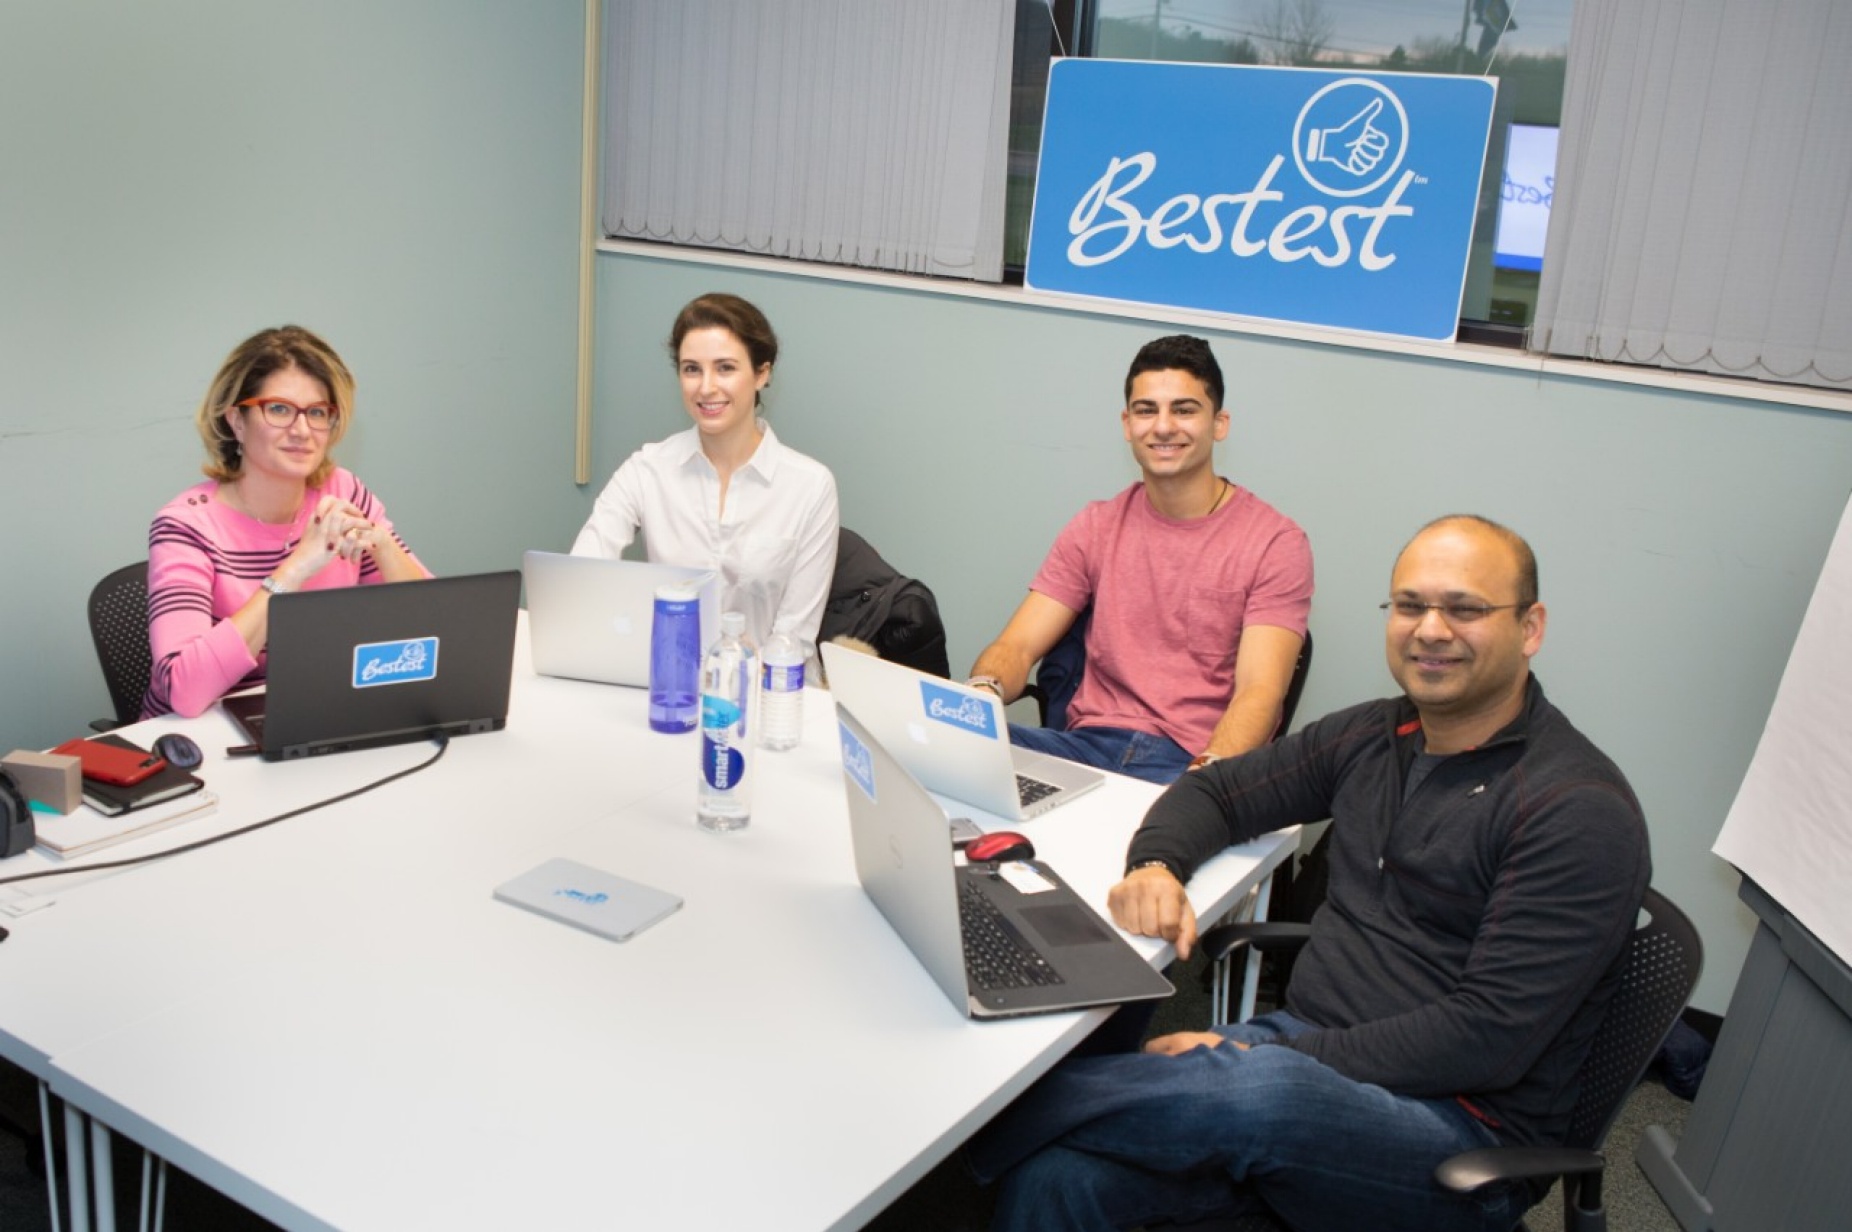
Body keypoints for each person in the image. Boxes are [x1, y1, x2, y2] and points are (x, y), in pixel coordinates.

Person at [970, 515, 1652, 1232]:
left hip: (1458, 1129)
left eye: (1465, 608)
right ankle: (1018, 1122)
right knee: (1060, 1178)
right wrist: (1156, 865)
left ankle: (972, 1124)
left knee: (1261, 1091)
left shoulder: (1575, 810)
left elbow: (1485, 1038)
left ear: (1530, 627)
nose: (1430, 629)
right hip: (1304, 1054)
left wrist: (1263, 1053)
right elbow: (1218, 791)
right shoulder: (1378, 734)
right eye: (1410, 605)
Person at [965, 335, 1312, 784]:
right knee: (951, 752)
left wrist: (1201, 789)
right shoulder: (1096, 525)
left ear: (1219, 423)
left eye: (1184, 410)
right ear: (1127, 424)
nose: (1163, 427)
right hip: (1083, 749)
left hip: (1189, 763)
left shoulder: (1275, 543)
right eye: (1147, 410)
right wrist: (982, 694)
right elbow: (1015, 647)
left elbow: (1259, 693)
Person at [143, 326, 431, 719]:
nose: (302, 430)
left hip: (314, 712)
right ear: (237, 421)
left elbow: (434, 628)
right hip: (203, 733)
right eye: (279, 409)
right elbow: (185, 691)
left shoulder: (344, 492)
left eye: (317, 412)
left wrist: (382, 544)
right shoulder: (186, 526)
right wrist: (295, 569)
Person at [573, 292, 839, 658]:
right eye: (691, 369)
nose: (706, 387)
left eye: (725, 368)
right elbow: (581, 573)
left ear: (762, 374)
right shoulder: (648, 469)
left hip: (767, 684)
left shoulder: (809, 486)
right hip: (671, 675)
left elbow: (795, 640)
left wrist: (734, 675)